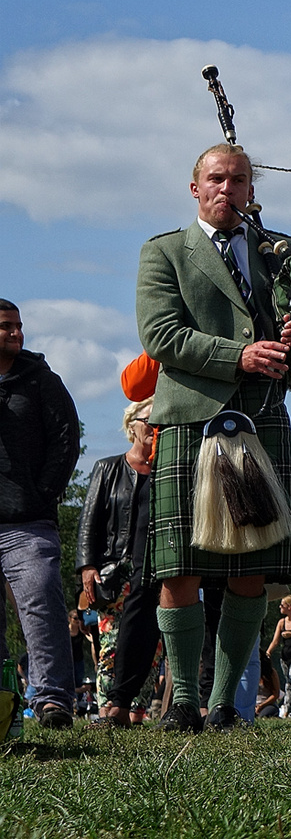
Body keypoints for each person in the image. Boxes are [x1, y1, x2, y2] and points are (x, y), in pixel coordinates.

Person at [135, 144, 291, 733]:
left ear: (252, 189)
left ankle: (225, 702)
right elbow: (161, 335)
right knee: (178, 570)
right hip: (189, 423)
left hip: (261, 422)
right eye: (215, 179)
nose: (227, 189)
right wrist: (241, 356)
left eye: (238, 180)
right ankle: (183, 699)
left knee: (249, 572)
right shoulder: (164, 252)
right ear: (194, 188)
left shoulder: (279, 252)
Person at [0, 299, 82, 731]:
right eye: (4, 327)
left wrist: (43, 494)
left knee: (42, 601)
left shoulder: (41, 382)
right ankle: (4, 702)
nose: (14, 333)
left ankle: (52, 702)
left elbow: (66, 439)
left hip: (26, 522)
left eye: (17, 326)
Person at [76, 397, 161, 728]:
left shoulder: (166, 472)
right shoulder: (108, 468)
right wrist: (87, 566)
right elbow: (89, 522)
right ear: (132, 426)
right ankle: (109, 709)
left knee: (150, 645)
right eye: (149, 421)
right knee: (111, 644)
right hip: (113, 573)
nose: (155, 428)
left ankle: (136, 710)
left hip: (152, 571)